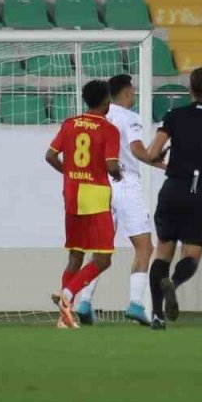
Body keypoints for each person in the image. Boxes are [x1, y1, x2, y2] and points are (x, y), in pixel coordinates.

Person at [143, 68, 202, 331]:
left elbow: (151, 153)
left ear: (190, 89)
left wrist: (160, 157)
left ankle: (156, 315)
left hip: (174, 188)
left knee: (163, 252)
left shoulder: (174, 115)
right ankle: (174, 284)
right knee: (192, 254)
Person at [74, 74, 159, 326]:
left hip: (98, 185)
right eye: (132, 91)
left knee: (101, 248)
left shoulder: (95, 117)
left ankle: (84, 302)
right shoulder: (129, 117)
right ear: (127, 91)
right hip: (124, 182)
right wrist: (159, 162)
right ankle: (135, 304)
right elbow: (136, 149)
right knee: (144, 246)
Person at [45, 80, 123, 329]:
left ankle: (63, 318)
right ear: (107, 101)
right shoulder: (109, 129)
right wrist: (119, 173)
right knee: (103, 259)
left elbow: (50, 156)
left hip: (71, 194)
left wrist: (70, 174)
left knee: (75, 256)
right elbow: (111, 165)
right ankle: (67, 295)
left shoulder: (70, 124)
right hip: (95, 197)